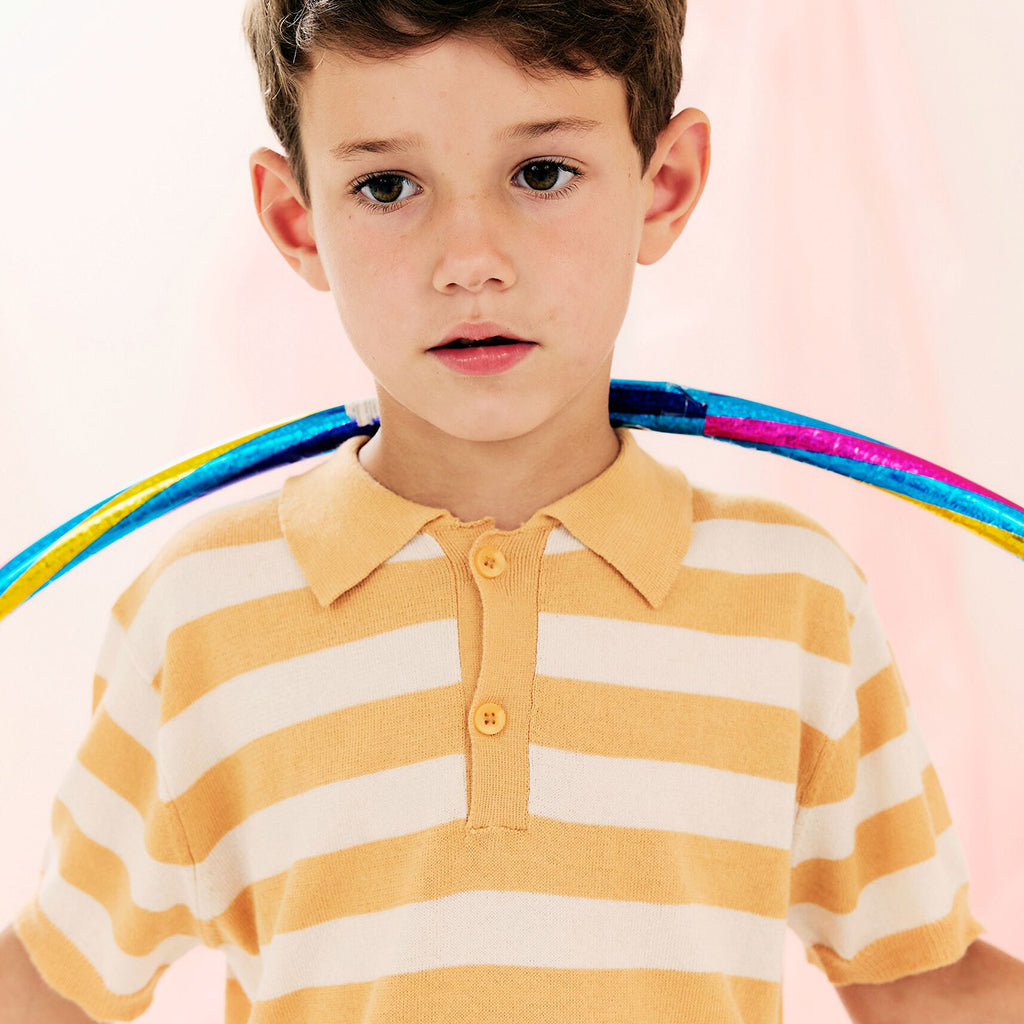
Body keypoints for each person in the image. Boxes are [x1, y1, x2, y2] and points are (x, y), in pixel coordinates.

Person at [2, 2, 1023, 1022]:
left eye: (540, 173)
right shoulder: (199, 619)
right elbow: (57, 988)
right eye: (387, 186)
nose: (471, 259)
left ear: (665, 185)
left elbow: (922, 986)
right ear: (296, 219)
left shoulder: (792, 600)